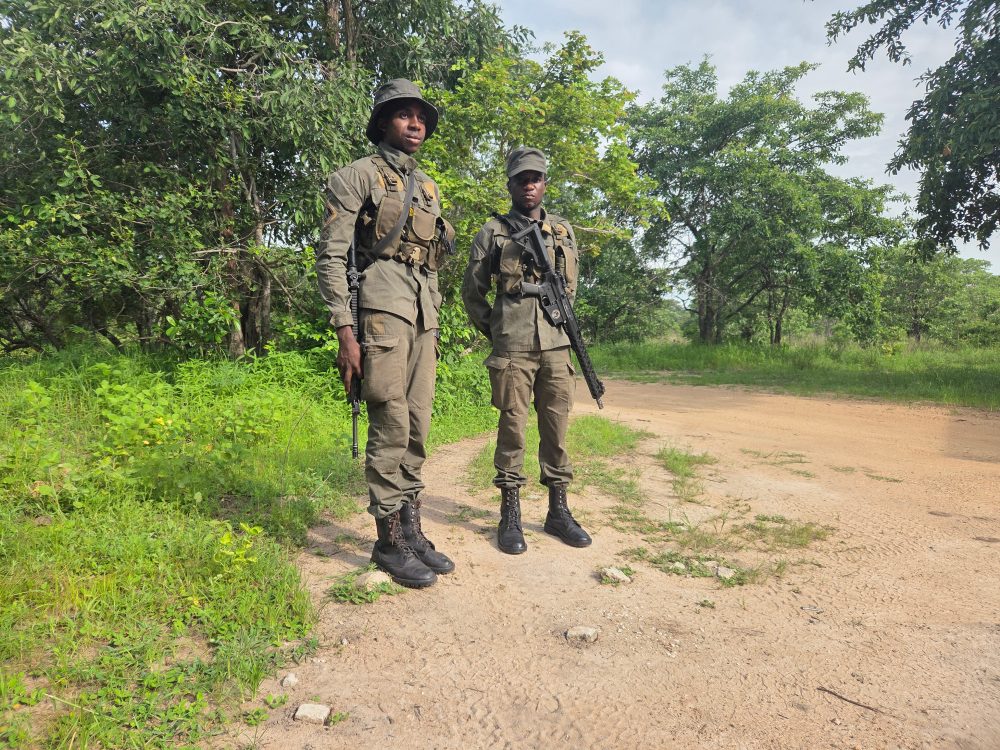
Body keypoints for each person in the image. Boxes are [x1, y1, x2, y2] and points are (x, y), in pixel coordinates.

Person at [316, 79, 455, 588]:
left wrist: (435, 319)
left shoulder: (430, 186)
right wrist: (344, 331)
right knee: (391, 422)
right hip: (379, 310)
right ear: (382, 123)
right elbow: (331, 257)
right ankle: (387, 539)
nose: (415, 123)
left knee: (418, 423)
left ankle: (412, 530)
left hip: (423, 313)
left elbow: (432, 262)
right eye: (403, 115)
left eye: (421, 116)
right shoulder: (355, 176)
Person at [461, 147, 592, 555]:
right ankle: (510, 514)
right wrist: (499, 331)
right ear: (511, 184)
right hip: (514, 347)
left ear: (545, 182)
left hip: (556, 346)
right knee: (513, 429)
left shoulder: (564, 232)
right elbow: (473, 293)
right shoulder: (493, 232)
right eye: (521, 179)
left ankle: (558, 511)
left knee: (557, 429)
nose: (529, 184)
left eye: (535, 177)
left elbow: (570, 289)